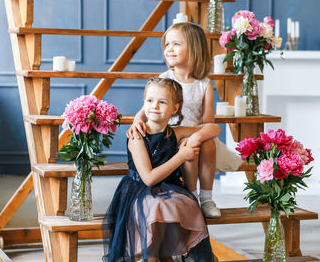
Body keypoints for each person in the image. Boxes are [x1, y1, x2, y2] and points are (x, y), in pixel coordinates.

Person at [127, 22, 243, 219]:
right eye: (167, 45)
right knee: (187, 145)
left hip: (193, 132)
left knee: (207, 144)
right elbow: (144, 110)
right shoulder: (165, 78)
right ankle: (191, 195)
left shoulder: (204, 84)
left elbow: (208, 123)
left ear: (194, 48)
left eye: (176, 44)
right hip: (170, 133)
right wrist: (136, 122)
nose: (169, 49)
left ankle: (206, 197)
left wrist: (198, 136)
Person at [103, 77, 220, 262]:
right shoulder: (137, 136)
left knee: (182, 205)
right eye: (149, 101)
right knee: (157, 212)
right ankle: (151, 256)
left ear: (175, 108)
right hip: (140, 192)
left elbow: (213, 128)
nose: (154, 106)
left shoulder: (175, 132)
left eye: (162, 102)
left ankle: (163, 255)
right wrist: (181, 156)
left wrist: (196, 137)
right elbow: (149, 178)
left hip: (168, 189)